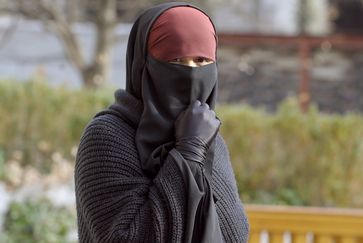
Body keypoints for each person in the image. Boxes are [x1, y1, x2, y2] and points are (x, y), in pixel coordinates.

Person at [74, 2, 249, 243]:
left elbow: (235, 236)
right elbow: (126, 238)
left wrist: (197, 146)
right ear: (143, 65)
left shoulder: (212, 139)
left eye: (201, 61)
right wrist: (188, 152)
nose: (191, 73)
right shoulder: (107, 136)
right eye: (176, 61)